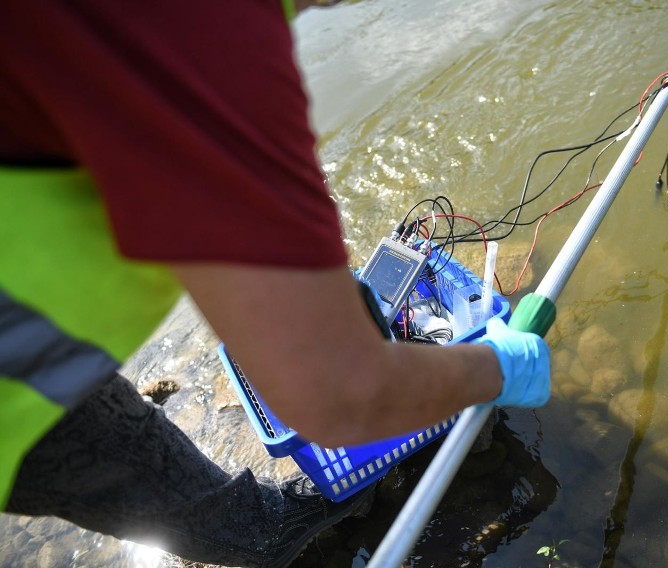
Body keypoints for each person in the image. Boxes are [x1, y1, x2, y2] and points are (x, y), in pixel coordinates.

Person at [0, 1, 551, 566]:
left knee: (124, 441)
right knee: (230, 516)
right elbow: (339, 396)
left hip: (26, 343)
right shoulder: (203, 35)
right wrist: (501, 367)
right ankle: (274, 534)